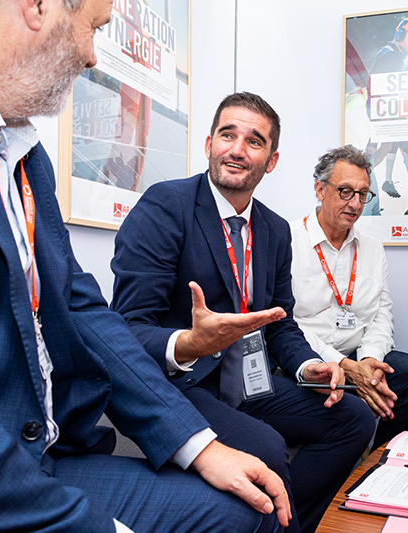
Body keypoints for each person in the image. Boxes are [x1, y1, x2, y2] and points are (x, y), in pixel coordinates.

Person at [0, 0, 291, 531]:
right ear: (38, 7)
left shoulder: (20, 147)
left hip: (45, 450)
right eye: (93, 28)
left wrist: (199, 446)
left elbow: (80, 307)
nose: (91, 57)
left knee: (247, 510)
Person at [111, 92, 375, 533]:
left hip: (250, 381)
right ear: (209, 143)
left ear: (271, 161)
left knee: (355, 418)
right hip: (182, 383)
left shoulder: (274, 230)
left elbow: (281, 323)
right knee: (266, 449)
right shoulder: (166, 205)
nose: (237, 149)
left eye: (254, 141)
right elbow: (126, 327)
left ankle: (286, 525)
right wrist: (188, 343)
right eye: (227, 135)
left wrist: (309, 366)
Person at [289, 146, 408, 451]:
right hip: (308, 359)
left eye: (363, 194)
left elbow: (381, 314)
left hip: (358, 354)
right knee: (336, 397)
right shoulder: (287, 241)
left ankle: (380, 462)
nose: (355, 204)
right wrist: (341, 364)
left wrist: (368, 361)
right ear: (320, 190)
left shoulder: (372, 248)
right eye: (345, 191)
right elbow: (287, 324)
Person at [367, 17, 408, 198]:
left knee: (391, 140)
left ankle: (388, 180)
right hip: (382, 106)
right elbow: (390, 88)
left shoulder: (389, 52)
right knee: (387, 143)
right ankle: (363, 175)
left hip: (381, 105)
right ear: (400, 34)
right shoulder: (391, 55)